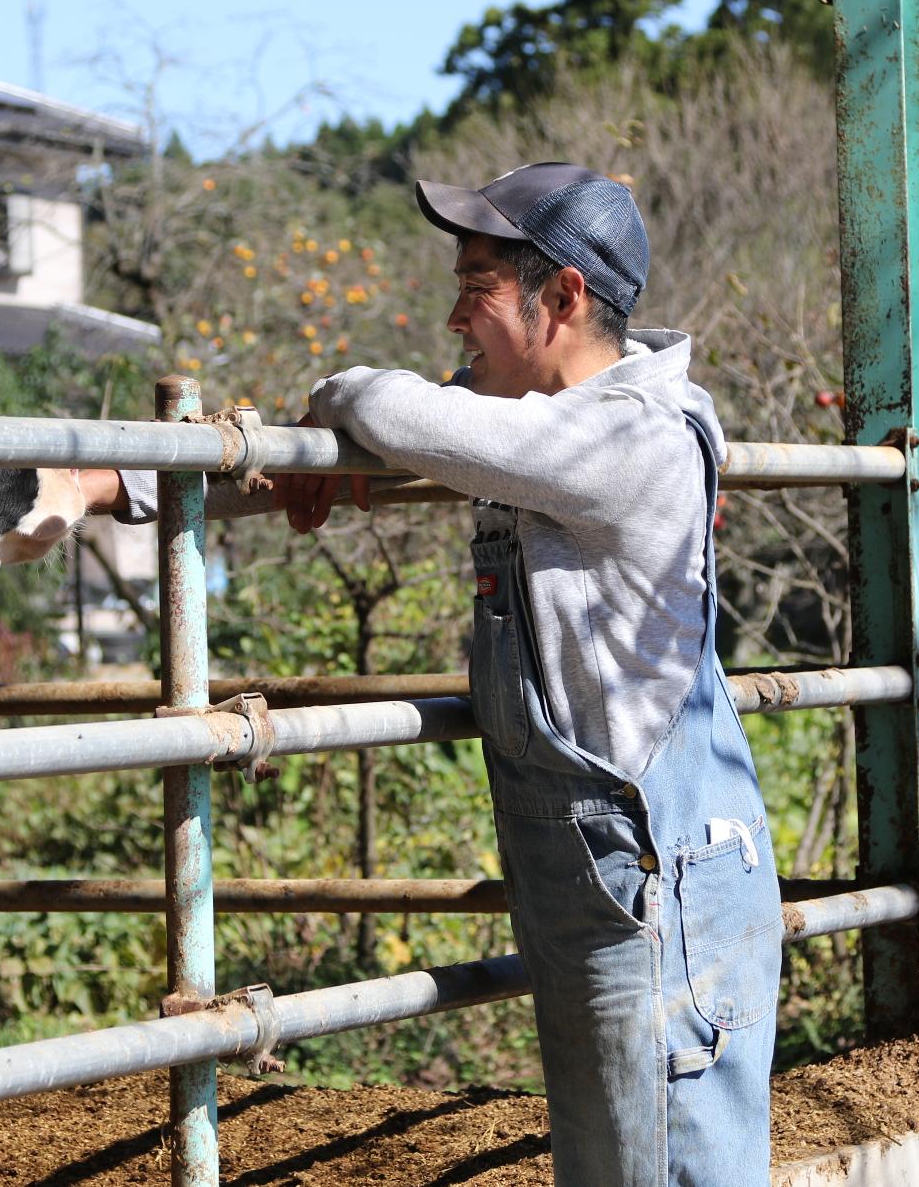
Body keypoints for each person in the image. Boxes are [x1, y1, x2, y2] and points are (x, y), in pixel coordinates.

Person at [79, 162, 781, 1185]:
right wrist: (113, 488)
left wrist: (350, 400)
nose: (452, 317)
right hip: (604, 885)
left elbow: (394, 412)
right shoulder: (528, 431)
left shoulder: (629, 435)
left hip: (656, 890)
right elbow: (388, 441)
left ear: (565, 296)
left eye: (477, 286)